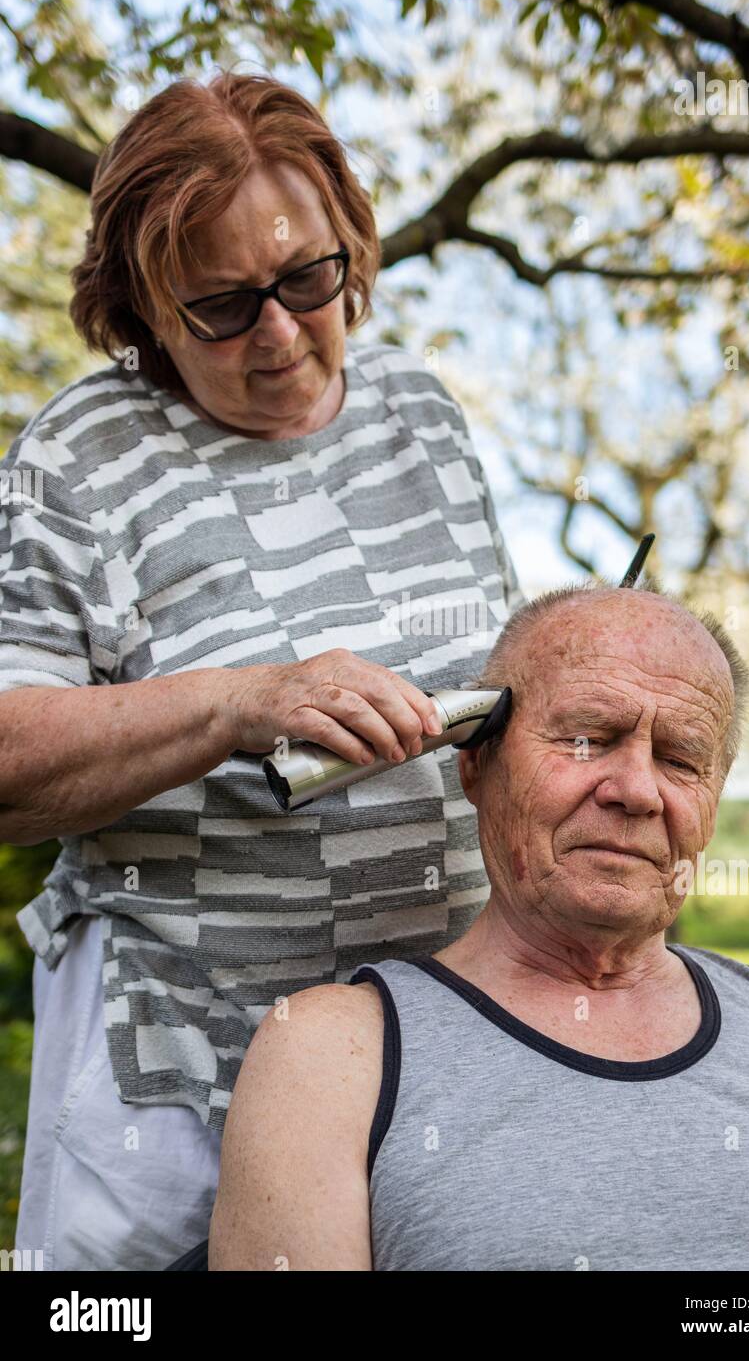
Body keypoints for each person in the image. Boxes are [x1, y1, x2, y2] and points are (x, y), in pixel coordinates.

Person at [3, 69, 525, 1271]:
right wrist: (240, 700)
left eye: (306, 278)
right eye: (224, 307)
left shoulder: (422, 415)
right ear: (141, 305)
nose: (282, 332)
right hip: (179, 1081)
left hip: (425, 1054)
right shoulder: (78, 457)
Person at [210, 581, 749, 1271]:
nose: (638, 790)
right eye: (586, 740)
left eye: (679, 758)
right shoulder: (333, 1056)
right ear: (475, 759)